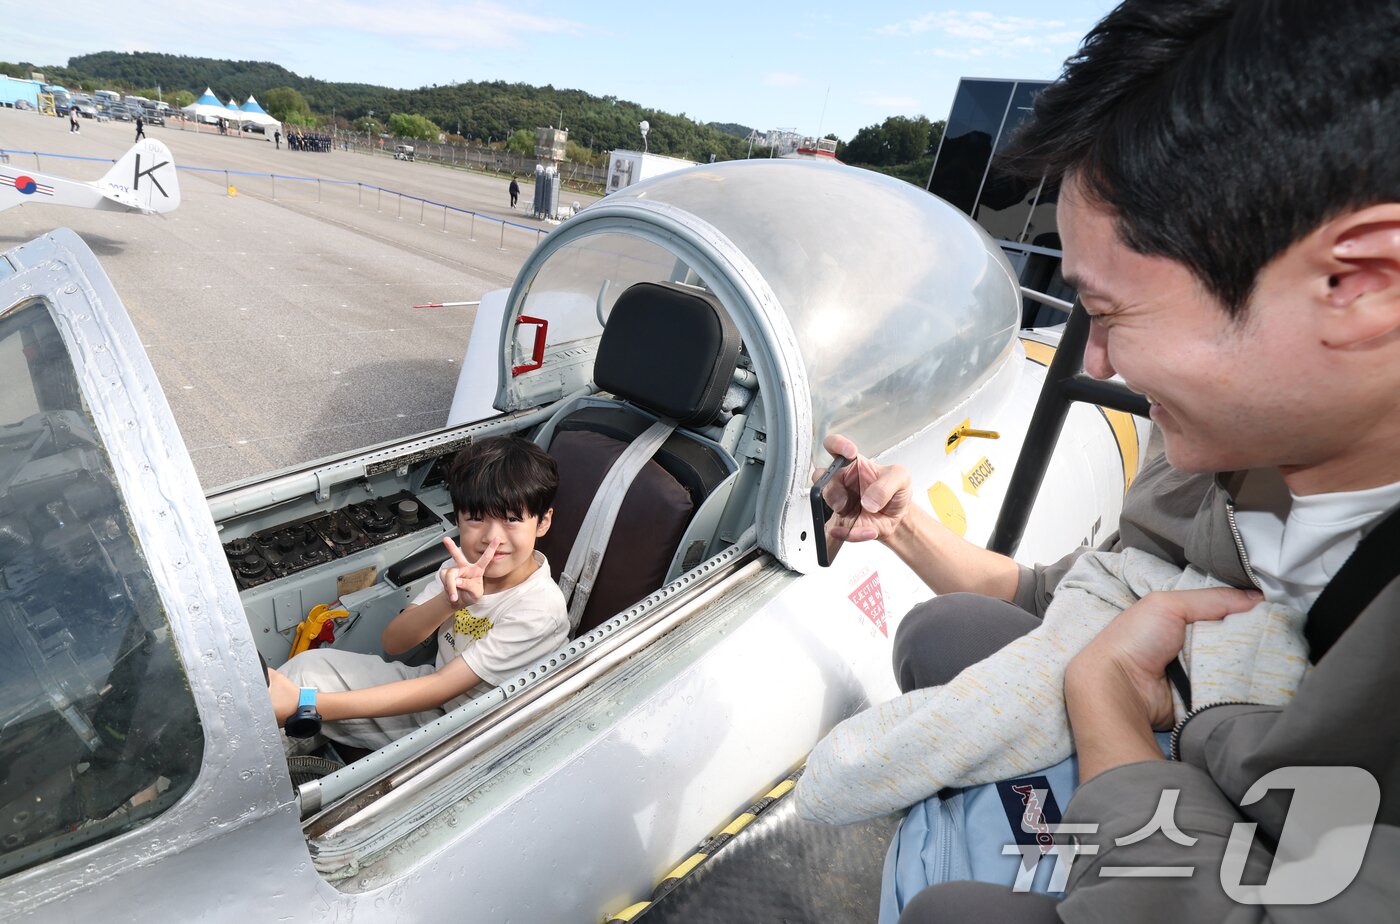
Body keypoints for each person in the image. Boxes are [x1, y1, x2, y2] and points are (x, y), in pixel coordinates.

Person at [817, 1, 1400, 920]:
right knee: (945, 630)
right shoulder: (1219, 453)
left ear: (1359, 283)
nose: (1095, 365)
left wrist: (1110, 718)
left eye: (1115, 313)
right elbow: (1071, 593)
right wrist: (907, 531)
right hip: (1197, 761)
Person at [269, 435, 569, 751]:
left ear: (542, 522)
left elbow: (440, 689)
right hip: (436, 698)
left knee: (301, 695)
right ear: (459, 518)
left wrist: (307, 705)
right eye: (477, 518)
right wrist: (449, 602)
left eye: (511, 519)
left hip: (476, 732)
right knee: (307, 669)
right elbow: (394, 642)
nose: (492, 538)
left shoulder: (540, 608)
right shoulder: (460, 571)